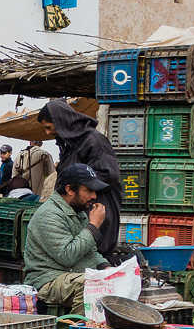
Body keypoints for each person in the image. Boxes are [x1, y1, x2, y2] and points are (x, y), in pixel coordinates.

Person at [38, 100, 122, 257]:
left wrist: (79, 183)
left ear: (60, 121)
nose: (47, 133)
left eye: (48, 127)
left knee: (95, 254)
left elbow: (109, 174)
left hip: (97, 208)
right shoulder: (69, 144)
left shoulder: (93, 141)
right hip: (78, 210)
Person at [23, 165, 110, 314]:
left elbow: (90, 252)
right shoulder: (49, 215)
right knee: (88, 285)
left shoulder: (78, 212)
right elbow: (67, 256)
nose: (94, 196)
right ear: (70, 190)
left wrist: (105, 267)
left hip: (71, 274)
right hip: (48, 280)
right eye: (88, 190)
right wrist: (93, 226)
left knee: (114, 280)